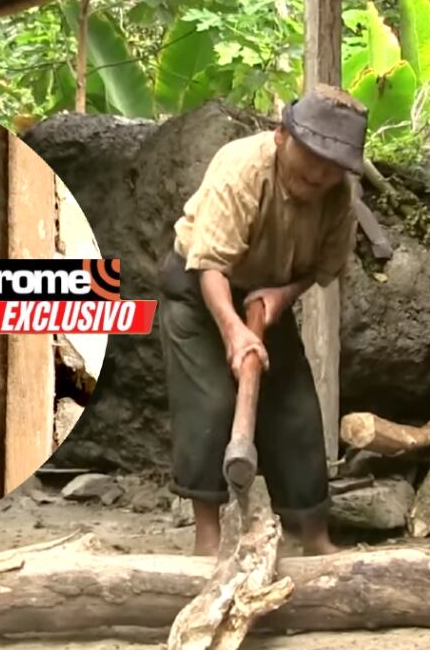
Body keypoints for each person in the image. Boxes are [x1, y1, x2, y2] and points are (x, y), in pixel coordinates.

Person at [158, 83, 366, 557]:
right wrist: (233, 331)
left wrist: (280, 296)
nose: (315, 183)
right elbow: (209, 264)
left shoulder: (337, 197)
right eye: (308, 168)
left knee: (297, 412)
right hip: (198, 291)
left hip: (266, 297)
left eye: (327, 178)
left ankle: (314, 536)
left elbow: (320, 270)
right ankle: (207, 539)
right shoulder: (241, 169)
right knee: (209, 405)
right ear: (281, 136)